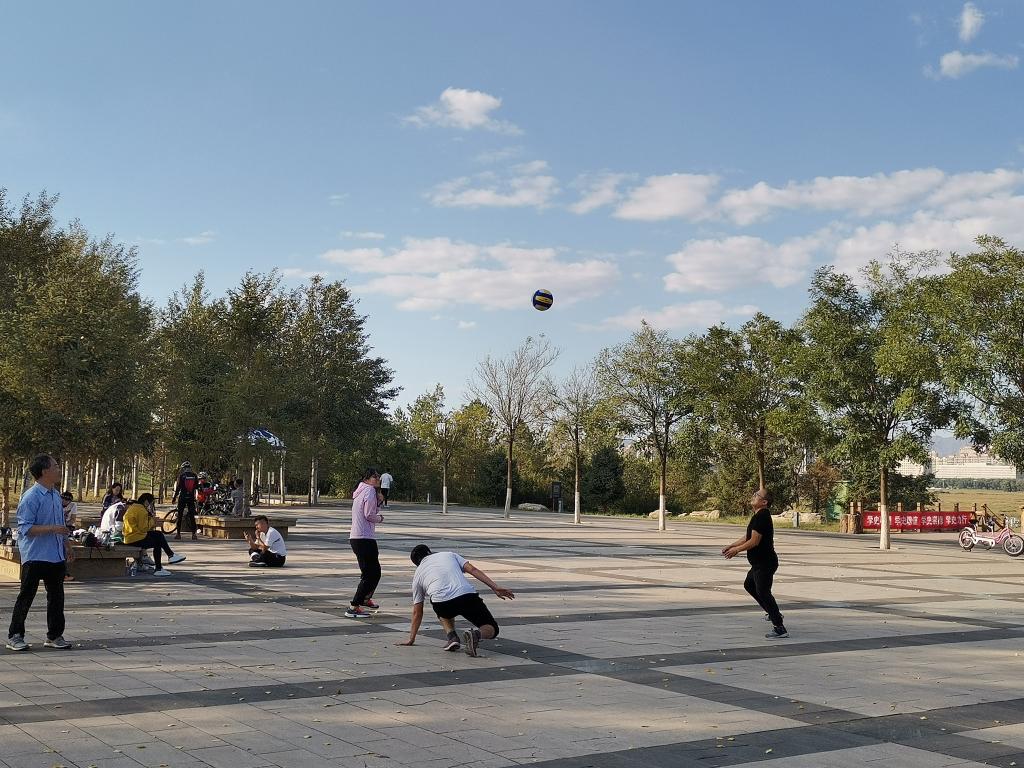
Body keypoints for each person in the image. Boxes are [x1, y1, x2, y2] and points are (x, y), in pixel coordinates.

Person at [396, 545, 515, 657]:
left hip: (443, 604)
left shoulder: (418, 574)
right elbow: (472, 569)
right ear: (429, 552)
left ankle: (452, 637)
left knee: (439, 605)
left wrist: (411, 638)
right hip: (467, 596)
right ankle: (476, 635)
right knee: (491, 628)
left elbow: (417, 612)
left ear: (417, 563)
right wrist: (494, 587)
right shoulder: (449, 554)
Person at [6, 455, 73, 651]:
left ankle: (54, 636)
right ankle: (15, 636)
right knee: (26, 596)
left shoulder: (55, 495)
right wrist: (52, 528)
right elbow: (25, 528)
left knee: (56, 597)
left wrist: (67, 545)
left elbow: (60, 524)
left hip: (55, 555)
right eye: (55, 466)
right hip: (35, 555)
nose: (59, 469)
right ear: (44, 471)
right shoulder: (31, 497)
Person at [722, 488, 788, 639]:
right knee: (749, 585)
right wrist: (732, 545)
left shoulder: (762, 516)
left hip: (765, 563)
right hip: (760, 563)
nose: (753, 496)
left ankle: (779, 627)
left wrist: (736, 550)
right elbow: (748, 536)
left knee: (763, 592)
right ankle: (773, 613)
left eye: (757, 495)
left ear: (764, 502)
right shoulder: (758, 516)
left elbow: (754, 541)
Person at [345, 468, 384, 619]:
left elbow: (368, 510)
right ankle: (354, 607)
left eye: (378, 477)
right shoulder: (369, 490)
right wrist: (380, 518)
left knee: (373, 572)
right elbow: (369, 514)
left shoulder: (361, 490)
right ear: (367, 478)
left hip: (358, 537)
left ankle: (365, 599)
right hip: (364, 538)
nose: (378, 479)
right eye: (375, 477)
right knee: (370, 574)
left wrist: (379, 501)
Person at [122, 493, 186, 577]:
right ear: (146, 502)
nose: (150, 506)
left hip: (130, 537)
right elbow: (143, 528)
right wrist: (153, 522)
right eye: (151, 503)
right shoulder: (141, 510)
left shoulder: (134, 507)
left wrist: (151, 520)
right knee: (158, 537)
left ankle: (164, 563)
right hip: (135, 538)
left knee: (158, 538)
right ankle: (167, 559)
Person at [171, 461, 199, 541]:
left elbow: (178, 488)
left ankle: (178, 534)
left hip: (182, 497)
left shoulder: (181, 476)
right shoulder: (194, 476)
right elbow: (196, 487)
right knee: (192, 516)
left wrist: (174, 498)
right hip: (191, 498)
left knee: (180, 515)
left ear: (183, 468)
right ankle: (194, 534)